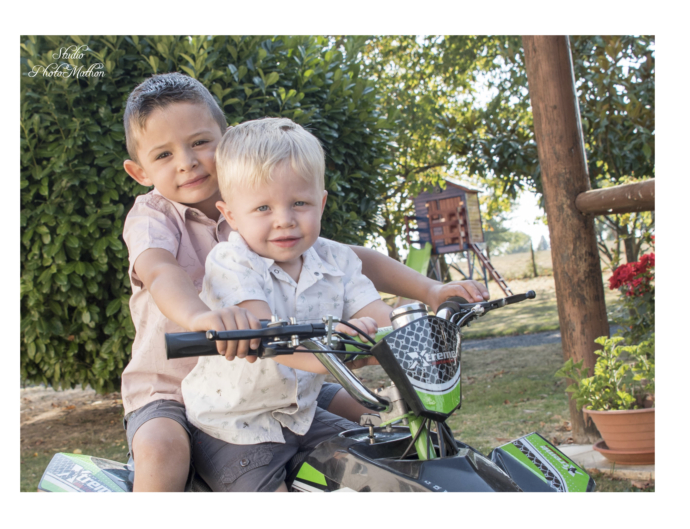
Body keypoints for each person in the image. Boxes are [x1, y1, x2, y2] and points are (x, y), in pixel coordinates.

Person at [120, 72, 489, 492]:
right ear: (139, 171)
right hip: (172, 384)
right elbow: (160, 271)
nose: (186, 161)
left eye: (200, 142)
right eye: (164, 154)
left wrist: (429, 292)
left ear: (227, 143)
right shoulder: (154, 217)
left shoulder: (263, 202)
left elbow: (351, 260)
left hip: (276, 378)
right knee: (161, 450)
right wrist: (204, 317)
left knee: (381, 426)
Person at [182, 117, 398, 492]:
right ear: (231, 215)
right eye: (263, 208)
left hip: (302, 415)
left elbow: (375, 312)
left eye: (300, 202)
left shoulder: (338, 260)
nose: (284, 220)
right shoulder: (231, 262)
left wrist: (398, 334)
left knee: (383, 465)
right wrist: (336, 347)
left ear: (322, 202)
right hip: (235, 426)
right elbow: (269, 333)